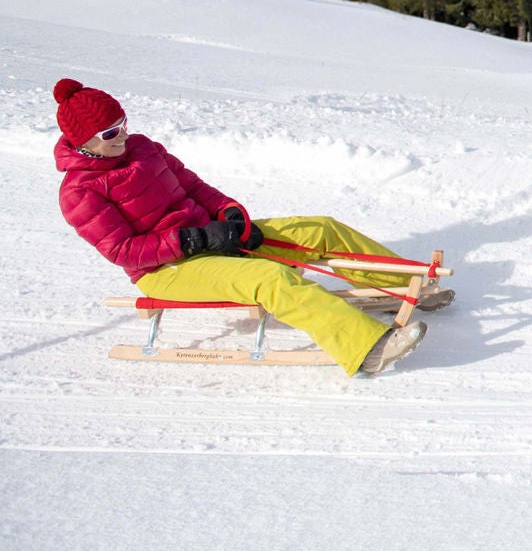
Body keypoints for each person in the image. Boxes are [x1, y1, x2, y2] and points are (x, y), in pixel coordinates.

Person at [51, 78, 443, 375]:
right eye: (109, 133)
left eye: (122, 123)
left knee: (318, 228)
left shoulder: (144, 147)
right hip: (166, 269)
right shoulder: (80, 191)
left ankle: (404, 283)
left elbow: (195, 187)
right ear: (83, 141)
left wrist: (229, 215)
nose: (121, 135)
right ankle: (367, 348)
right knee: (269, 278)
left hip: (211, 238)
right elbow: (122, 251)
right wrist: (195, 239)